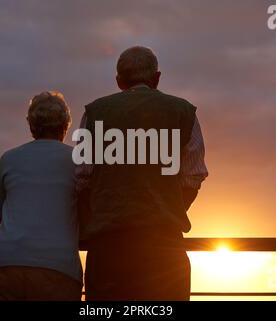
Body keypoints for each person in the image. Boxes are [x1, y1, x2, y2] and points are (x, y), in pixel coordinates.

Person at [77, 46, 208, 301]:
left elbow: (82, 178)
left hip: (108, 250)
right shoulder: (184, 113)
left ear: (118, 81)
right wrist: (166, 208)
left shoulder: (94, 113)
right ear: (157, 78)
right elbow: (193, 176)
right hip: (164, 248)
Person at [0, 91, 83, 301]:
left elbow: (4, 213)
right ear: (65, 126)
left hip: (4, 262)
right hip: (57, 267)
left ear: (31, 125)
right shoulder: (77, 161)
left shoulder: (9, 158)